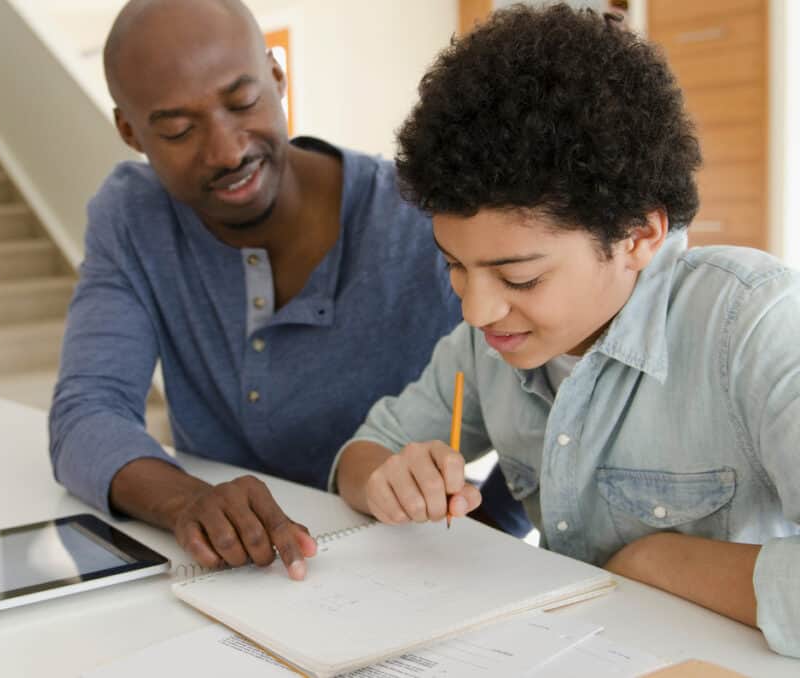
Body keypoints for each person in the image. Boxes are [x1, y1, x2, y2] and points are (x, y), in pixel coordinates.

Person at [334, 5, 800, 657]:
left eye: (519, 278)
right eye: (455, 266)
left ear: (638, 235)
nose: (476, 312)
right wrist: (387, 478)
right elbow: (367, 450)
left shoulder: (755, 325)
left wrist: (655, 562)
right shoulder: (488, 344)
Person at [49, 0, 529, 581]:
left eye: (242, 102)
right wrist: (187, 502)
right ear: (130, 132)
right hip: (235, 580)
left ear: (277, 77)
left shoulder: (419, 220)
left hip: (406, 571)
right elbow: (87, 413)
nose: (227, 151)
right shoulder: (132, 216)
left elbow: (546, 398)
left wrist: (491, 530)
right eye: (178, 130)